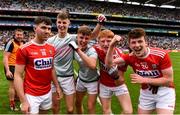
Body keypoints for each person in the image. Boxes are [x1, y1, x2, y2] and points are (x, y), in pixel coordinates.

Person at [47, 9, 106, 114]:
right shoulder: (50, 41)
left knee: (70, 109)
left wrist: (99, 24)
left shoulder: (73, 38)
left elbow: (91, 36)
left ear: (69, 23)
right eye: (59, 22)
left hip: (68, 77)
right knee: (55, 108)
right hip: (54, 78)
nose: (61, 25)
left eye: (64, 22)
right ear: (56, 23)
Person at [105, 28, 175, 114]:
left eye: (140, 41)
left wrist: (144, 80)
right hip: (146, 93)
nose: (137, 45)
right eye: (133, 42)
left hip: (165, 91)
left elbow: (168, 80)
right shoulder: (130, 57)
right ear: (130, 46)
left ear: (146, 42)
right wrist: (111, 45)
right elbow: (109, 64)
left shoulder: (161, 55)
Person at [14, 16, 62, 114]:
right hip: (31, 94)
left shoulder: (51, 48)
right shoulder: (24, 49)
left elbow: (51, 69)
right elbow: (18, 75)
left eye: (49, 28)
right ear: (35, 28)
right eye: (43, 27)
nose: (47, 31)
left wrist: (57, 86)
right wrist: (23, 101)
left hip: (47, 91)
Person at [93, 29, 133, 114]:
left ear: (114, 42)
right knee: (106, 111)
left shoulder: (121, 55)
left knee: (128, 112)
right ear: (98, 42)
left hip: (118, 85)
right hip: (104, 85)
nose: (106, 44)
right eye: (102, 41)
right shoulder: (97, 49)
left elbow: (120, 79)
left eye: (109, 41)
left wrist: (115, 76)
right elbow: (88, 39)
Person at [69, 25, 99, 114]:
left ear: (89, 39)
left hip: (92, 81)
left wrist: (78, 50)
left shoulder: (91, 50)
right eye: (81, 37)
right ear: (77, 36)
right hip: (81, 79)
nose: (83, 40)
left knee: (90, 107)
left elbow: (93, 65)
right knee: (77, 103)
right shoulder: (74, 43)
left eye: (86, 38)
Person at [3, 28, 24, 111]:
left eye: (21, 34)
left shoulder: (23, 43)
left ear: (23, 35)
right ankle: (12, 104)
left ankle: (16, 97)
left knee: (19, 84)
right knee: (12, 86)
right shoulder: (10, 43)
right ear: (14, 35)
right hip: (11, 66)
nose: (19, 36)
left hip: (20, 67)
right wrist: (7, 70)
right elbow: (5, 57)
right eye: (17, 34)